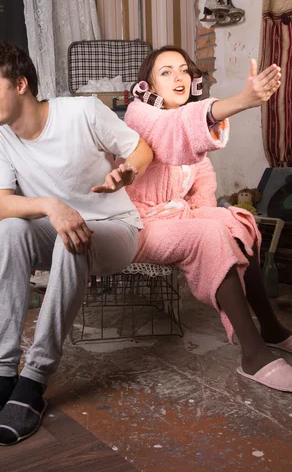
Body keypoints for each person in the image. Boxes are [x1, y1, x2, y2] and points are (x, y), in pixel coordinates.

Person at [0, 41, 153, 446]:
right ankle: (2, 371)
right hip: (60, 227)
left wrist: (128, 172)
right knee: (10, 228)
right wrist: (50, 205)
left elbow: (141, 149)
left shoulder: (81, 112)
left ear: (21, 84)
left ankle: (35, 378)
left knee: (67, 241)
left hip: (114, 229)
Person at [125, 45, 292, 393]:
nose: (179, 77)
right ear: (149, 86)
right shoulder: (140, 114)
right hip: (137, 223)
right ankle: (253, 355)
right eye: (166, 72)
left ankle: (272, 328)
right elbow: (171, 130)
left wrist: (210, 213)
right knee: (210, 234)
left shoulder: (187, 126)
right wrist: (242, 100)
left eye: (184, 70)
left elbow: (203, 184)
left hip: (175, 217)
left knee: (239, 221)